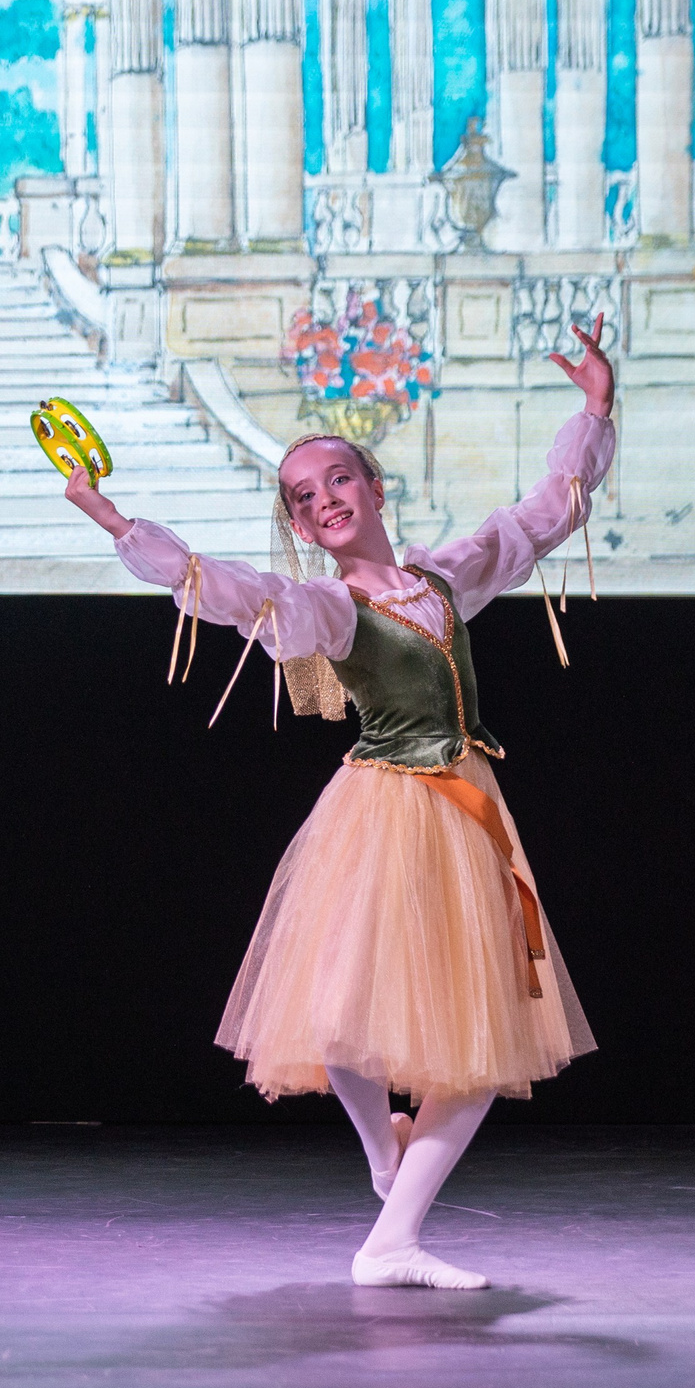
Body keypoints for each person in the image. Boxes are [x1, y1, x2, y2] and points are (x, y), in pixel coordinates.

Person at [62, 318, 617, 1290]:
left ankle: (392, 1227)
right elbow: (238, 595)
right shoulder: (332, 607)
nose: (321, 501)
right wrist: (119, 526)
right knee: (339, 1011)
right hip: (382, 807)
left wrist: (595, 409)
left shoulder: (442, 578)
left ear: (373, 485)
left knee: (478, 1044)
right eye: (301, 496)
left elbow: (540, 517)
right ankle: (383, 1188)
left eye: (336, 481)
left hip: (464, 811)